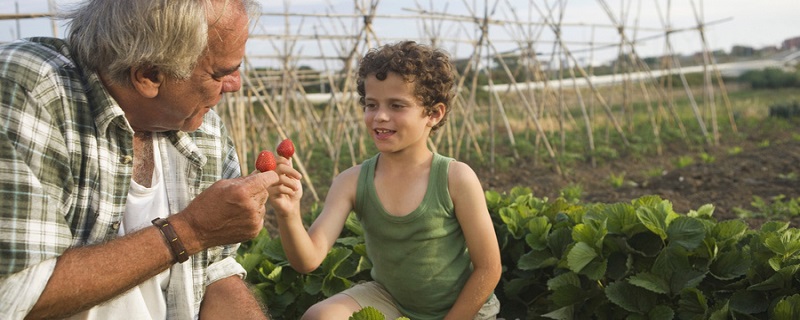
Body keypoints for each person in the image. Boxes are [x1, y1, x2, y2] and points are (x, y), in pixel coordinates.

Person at [0, 0, 294, 319]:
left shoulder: (203, 129)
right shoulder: (31, 92)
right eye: (221, 72)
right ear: (149, 74)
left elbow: (213, 273)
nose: (235, 85)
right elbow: (13, 295)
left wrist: (205, 236)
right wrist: (190, 231)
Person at [268, 41, 502, 320]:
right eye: (371, 104)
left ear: (433, 113)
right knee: (319, 317)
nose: (380, 116)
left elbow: (489, 268)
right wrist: (288, 213)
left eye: (397, 105)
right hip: (390, 298)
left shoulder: (455, 178)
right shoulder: (351, 181)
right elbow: (308, 260)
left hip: (463, 309)